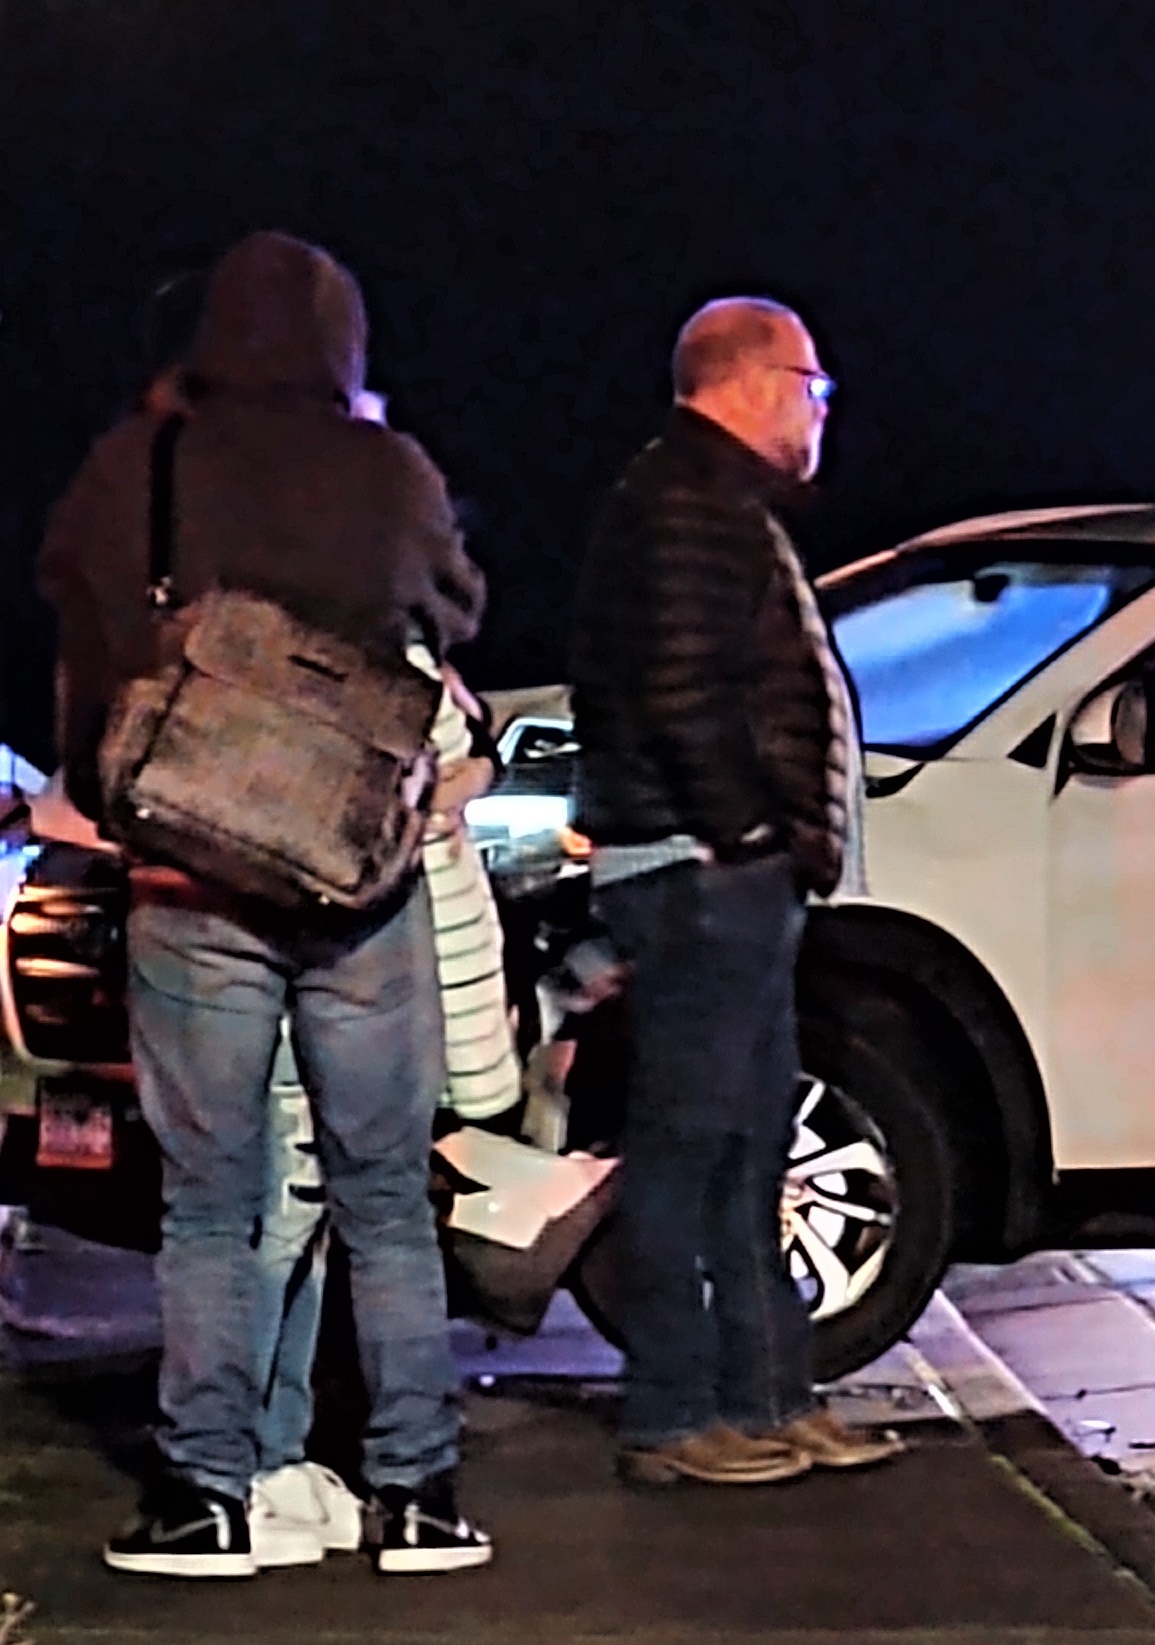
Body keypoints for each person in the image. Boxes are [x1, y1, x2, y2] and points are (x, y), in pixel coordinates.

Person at [33, 230, 495, 1573]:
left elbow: (79, 627)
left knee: (208, 1201)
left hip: (191, 880)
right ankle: (417, 1496)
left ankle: (205, 1497)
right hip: (356, 882)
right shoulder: (386, 471)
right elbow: (455, 609)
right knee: (384, 1195)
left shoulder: (143, 464)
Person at [565, 296, 897, 1488]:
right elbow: (683, 692)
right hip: (702, 876)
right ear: (755, 382)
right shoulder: (687, 505)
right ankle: (669, 1415)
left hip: (722, 872)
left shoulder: (708, 502)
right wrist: (746, 831)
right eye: (815, 388)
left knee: (752, 1145)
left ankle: (769, 1397)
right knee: (689, 1144)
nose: (821, 414)